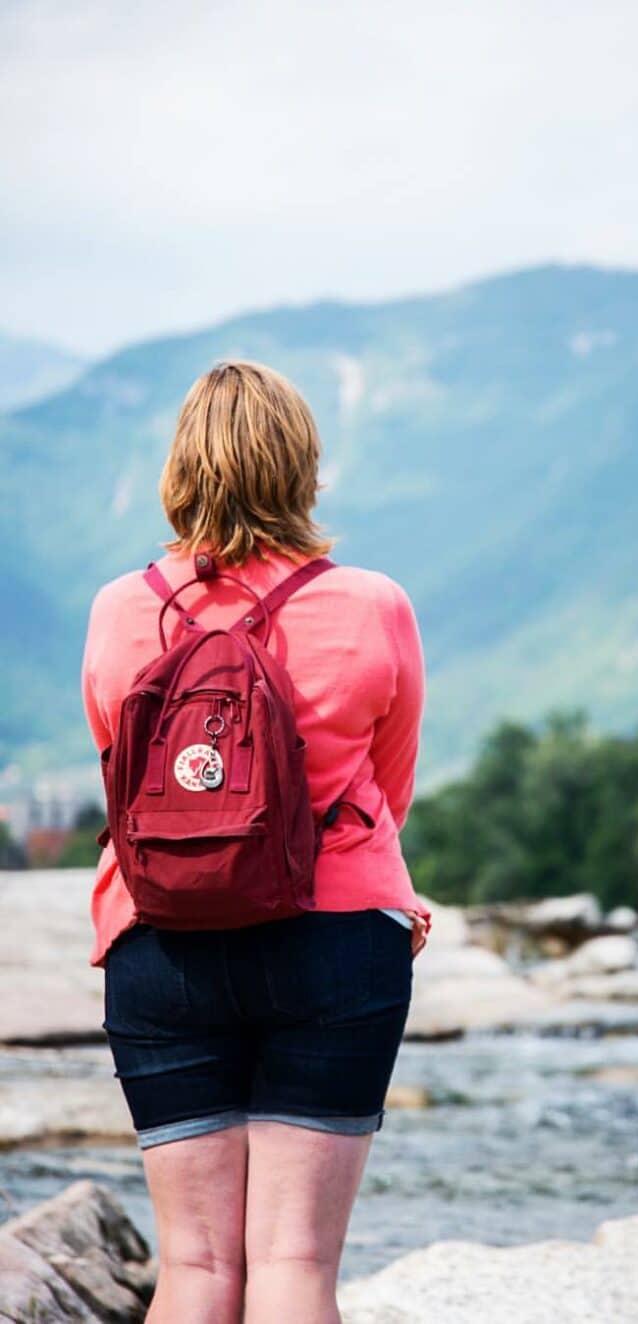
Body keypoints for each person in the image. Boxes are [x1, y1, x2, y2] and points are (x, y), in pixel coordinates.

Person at [80, 360, 432, 1324]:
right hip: (335, 940)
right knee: (294, 1262)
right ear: (302, 470)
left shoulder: (120, 610)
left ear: (181, 469)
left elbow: (124, 775)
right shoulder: (372, 605)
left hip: (161, 944)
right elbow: (387, 789)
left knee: (194, 1272)